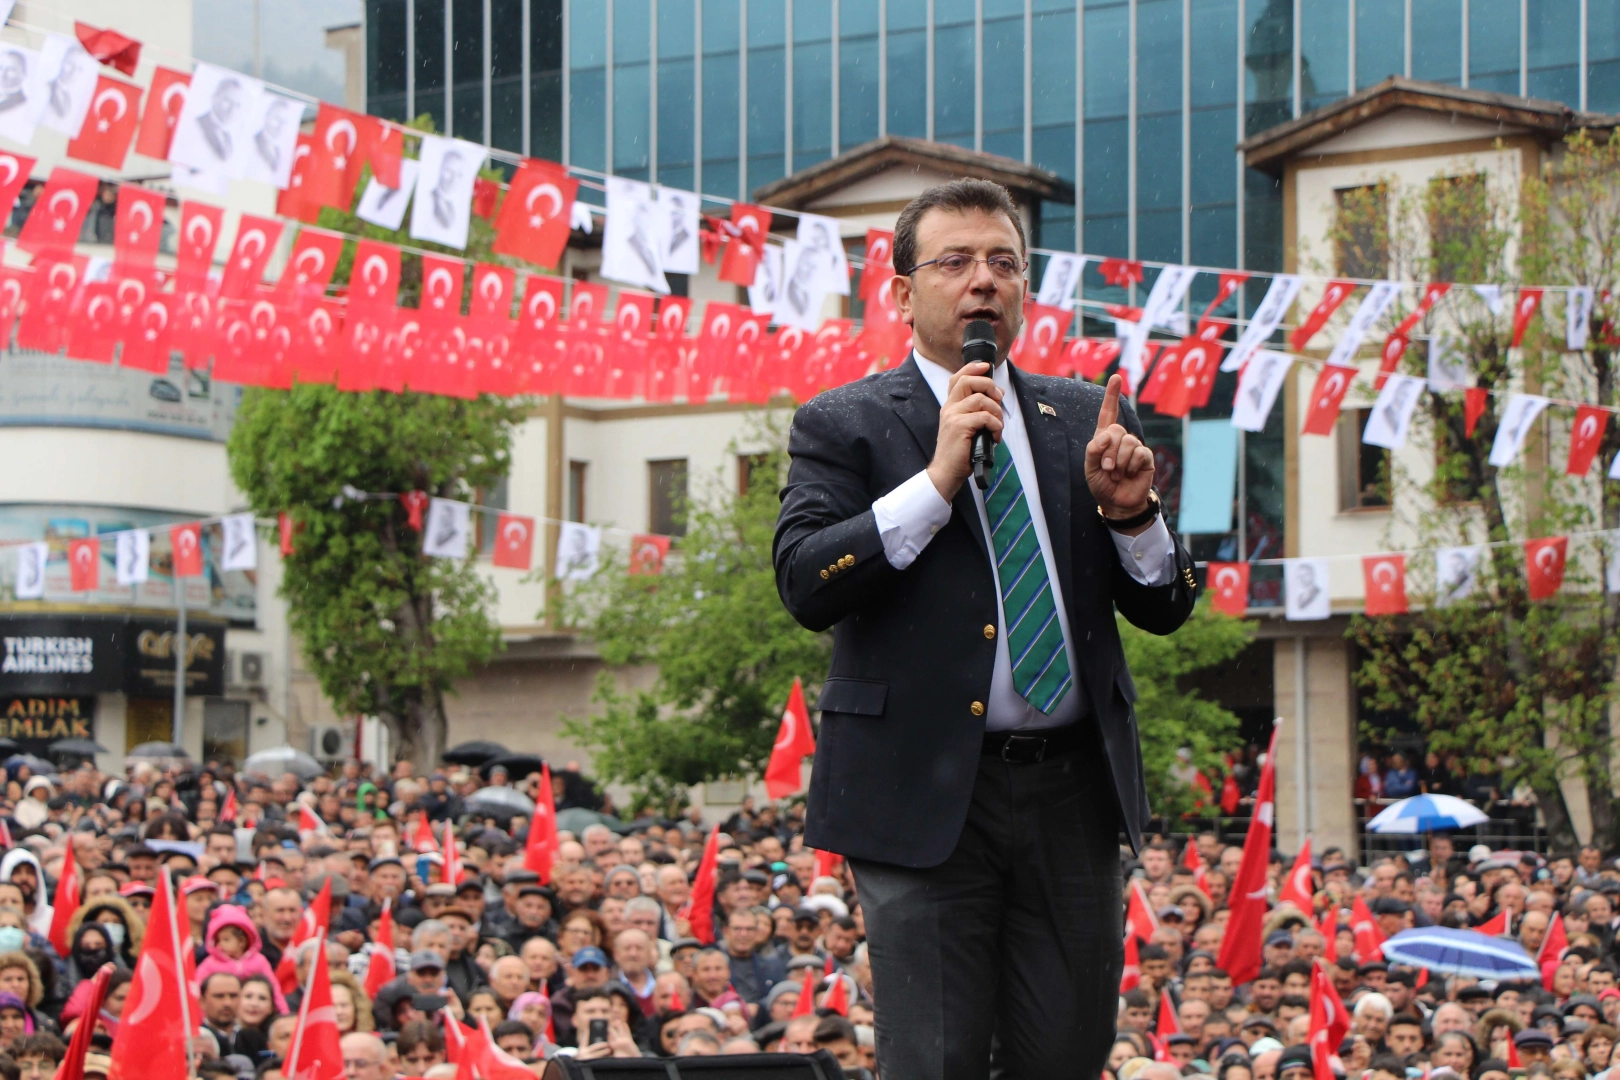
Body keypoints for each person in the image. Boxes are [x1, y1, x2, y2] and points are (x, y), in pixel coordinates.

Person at [773, 178, 1196, 1078]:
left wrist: (1134, 516)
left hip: (1071, 793)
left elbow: (1166, 606)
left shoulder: (1082, 416)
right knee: (937, 1059)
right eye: (956, 262)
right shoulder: (844, 424)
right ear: (901, 293)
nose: (983, 282)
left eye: (1004, 263)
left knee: (1065, 1057)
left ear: (1025, 290)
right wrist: (934, 483)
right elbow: (806, 583)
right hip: (920, 797)